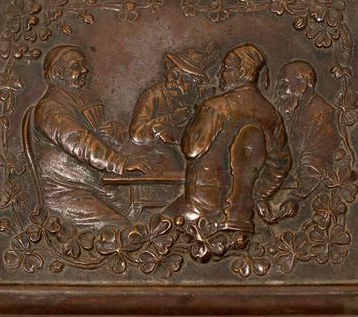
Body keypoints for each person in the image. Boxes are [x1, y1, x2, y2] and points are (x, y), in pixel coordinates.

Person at [166, 43, 291, 232]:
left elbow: (191, 150)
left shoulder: (217, 107)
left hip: (201, 210)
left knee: (156, 224)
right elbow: (280, 164)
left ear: (242, 72)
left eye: (226, 68)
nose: (220, 74)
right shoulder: (272, 115)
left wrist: (197, 116)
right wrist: (258, 196)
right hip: (242, 212)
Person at [29, 45, 148, 228]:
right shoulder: (50, 108)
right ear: (59, 73)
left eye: (83, 65)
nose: (84, 70)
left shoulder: (83, 99)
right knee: (121, 227)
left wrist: (113, 132)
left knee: (141, 216)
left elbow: (100, 137)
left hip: (94, 186)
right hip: (66, 191)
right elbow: (80, 142)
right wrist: (121, 163)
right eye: (75, 66)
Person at [265, 59, 341, 222]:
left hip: (299, 190)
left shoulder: (321, 113)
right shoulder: (292, 109)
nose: (280, 91)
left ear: (302, 85)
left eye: (285, 84)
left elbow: (316, 162)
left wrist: (295, 197)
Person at [129, 48, 211, 147]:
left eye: (185, 79)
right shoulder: (152, 95)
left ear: (194, 83)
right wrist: (170, 118)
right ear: (168, 70)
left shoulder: (195, 99)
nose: (178, 82)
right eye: (174, 75)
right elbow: (136, 132)